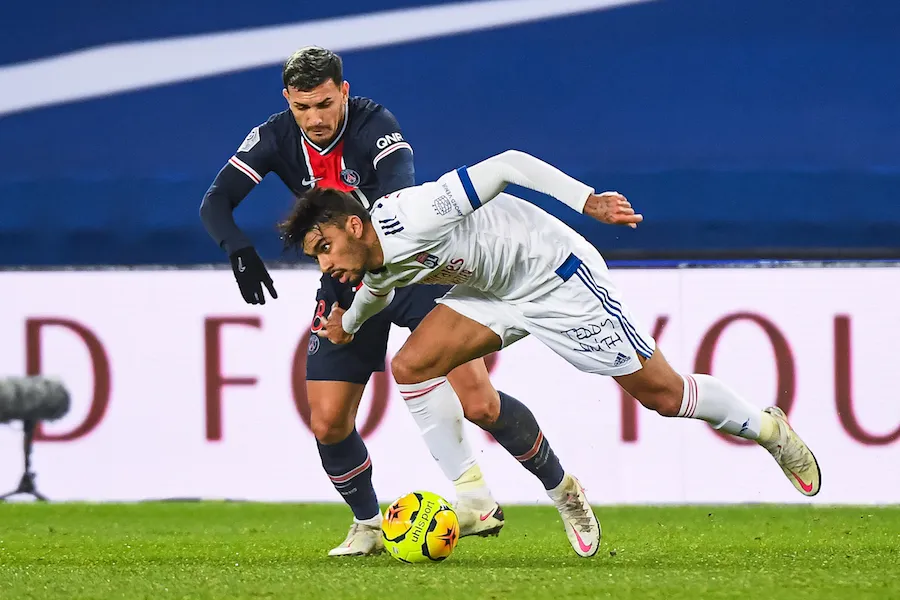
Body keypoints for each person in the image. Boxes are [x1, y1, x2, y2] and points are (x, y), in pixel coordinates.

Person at [278, 149, 823, 549]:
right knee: (412, 365)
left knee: (662, 394)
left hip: (557, 278)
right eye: (315, 257)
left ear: (355, 223)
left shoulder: (414, 213)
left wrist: (586, 200)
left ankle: (768, 428)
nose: (325, 263)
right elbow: (375, 293)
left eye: (324, 248)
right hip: (494, 293)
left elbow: (507, 165)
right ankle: (508, 495)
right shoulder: (373, 260)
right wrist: (346, 327)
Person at [200, 48, 592, 557]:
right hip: (344, 279)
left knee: (480, 403)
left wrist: (372, 250)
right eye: (303, 108)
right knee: (327, 421)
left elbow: (398, 197)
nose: (315, 119)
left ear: (342, 91)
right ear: (287, 102)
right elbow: (216, 201)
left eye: (323, 104)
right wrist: (238, 248)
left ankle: (562, 490)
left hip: (407, 272)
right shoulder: (274, 136)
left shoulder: (374, 124)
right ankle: (367, 525)